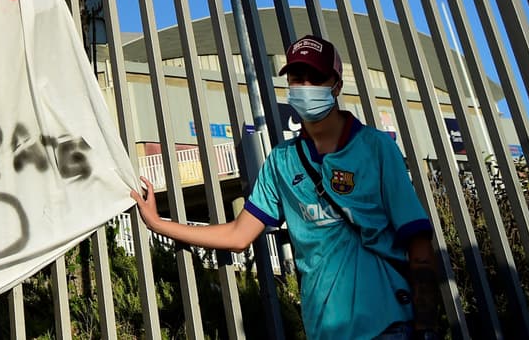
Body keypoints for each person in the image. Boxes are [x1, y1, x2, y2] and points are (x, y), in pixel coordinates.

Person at [130, 35, 442, 340]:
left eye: (315, 77)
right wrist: (159, 224)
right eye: (296, 77)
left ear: (336, 85)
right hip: (324, 329)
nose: (304, 86)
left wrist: (426, 325)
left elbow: (418, 243)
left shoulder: (375, 148)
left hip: (389, 326)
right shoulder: (282, 161)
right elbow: (239, 235)